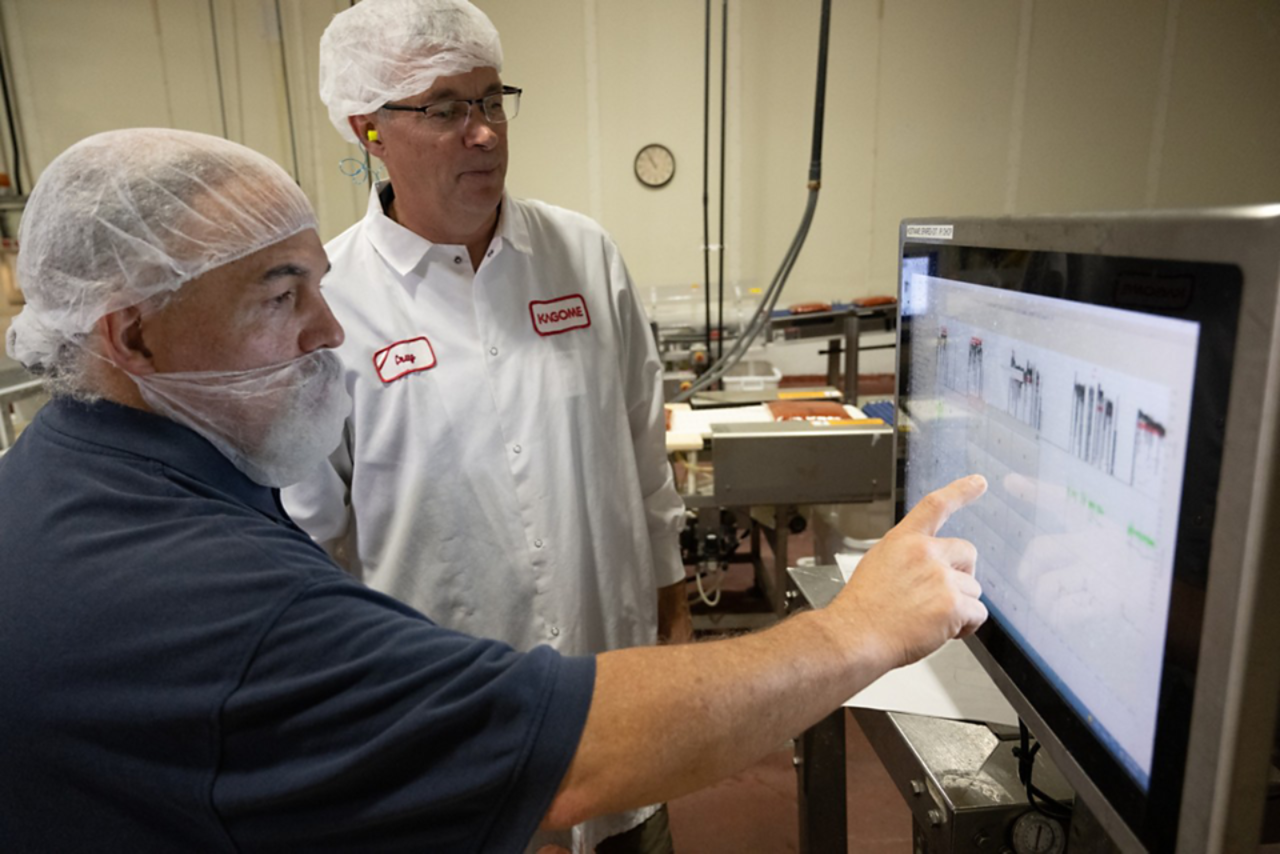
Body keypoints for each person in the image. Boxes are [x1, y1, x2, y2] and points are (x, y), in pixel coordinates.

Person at [0, 127, 987, 852]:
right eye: (276, 295)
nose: (329, 329)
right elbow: (580, 748)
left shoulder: (78, 472)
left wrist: (665, 590)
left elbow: (637, 435)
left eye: (314, 285)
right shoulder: (199, 598)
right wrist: (858, 626)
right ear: (130, 335)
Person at [286, 4, 691, 847]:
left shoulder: (584, 256)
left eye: (491, 100)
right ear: (370, 132)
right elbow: (309, 540)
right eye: (445, 108)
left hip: (609, 694)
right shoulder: (331, 306)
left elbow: (644, 452)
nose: (483, 133)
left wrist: (673, 604)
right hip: (444, 738)